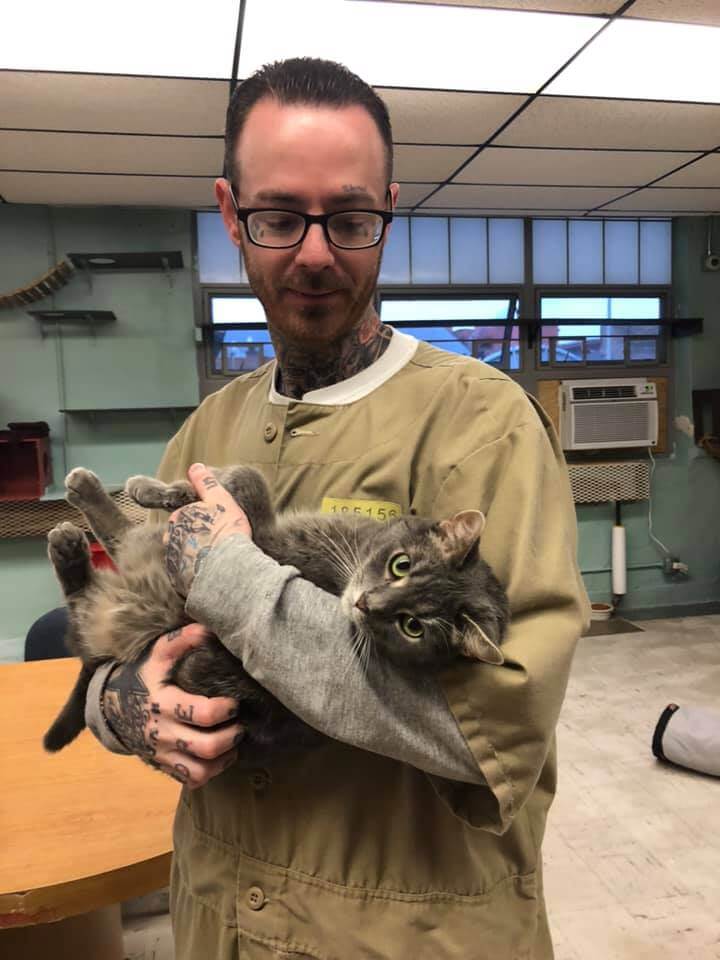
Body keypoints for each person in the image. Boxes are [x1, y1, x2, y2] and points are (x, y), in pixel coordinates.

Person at [85, 57, 589, 959]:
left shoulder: (485, 426)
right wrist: (119, 700)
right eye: (280, 217)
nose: (316, 254)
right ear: (232, 214)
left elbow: (491, 729)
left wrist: (236, 581)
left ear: (388, 214)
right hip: (218, 917)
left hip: (405, 936)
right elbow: (131, 632)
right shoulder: (209, 427)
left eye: (350, 219)